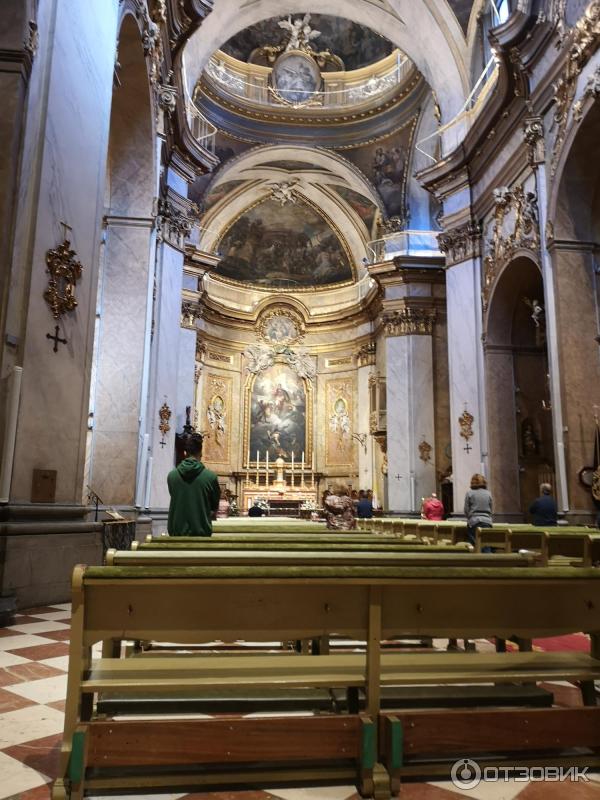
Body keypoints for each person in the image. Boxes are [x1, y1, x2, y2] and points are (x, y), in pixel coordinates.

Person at [167, 433, 220, 536]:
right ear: (201, 453)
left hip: (176, 534)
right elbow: (214, 507)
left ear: (185, 452)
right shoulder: (210, 477)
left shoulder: (172, 476)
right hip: (201, 534)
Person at [464, 473, 493, 547]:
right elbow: (491, 508)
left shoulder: (470, 493)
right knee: (486, 544)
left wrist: (469, 517)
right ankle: (488, 555)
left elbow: (466, 509)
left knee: (476, 546)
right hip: (487, 521)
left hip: (474, 521)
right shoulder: (488, 493)